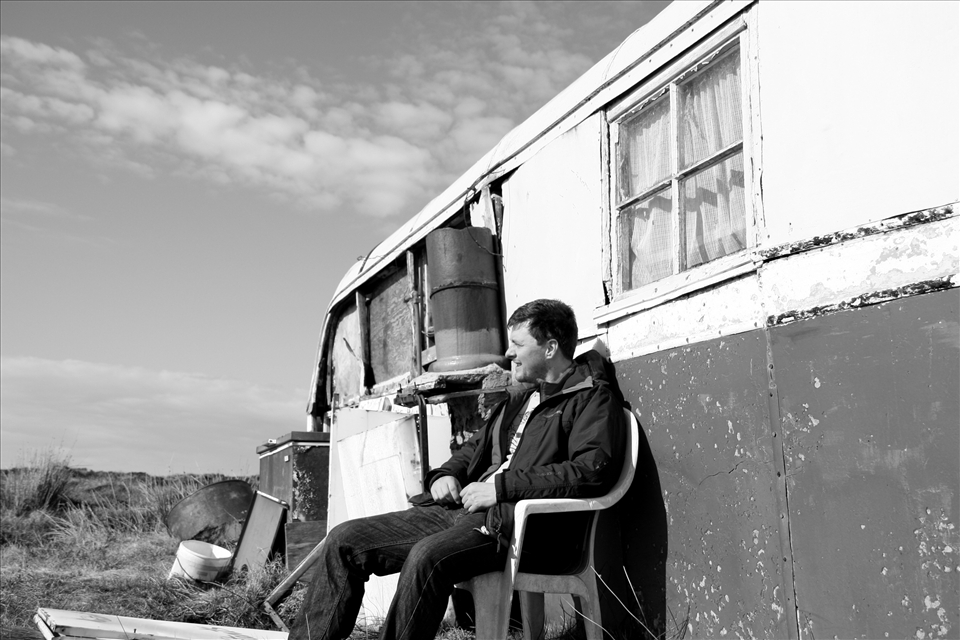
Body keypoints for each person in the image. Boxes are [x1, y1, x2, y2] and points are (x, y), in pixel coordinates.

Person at [290, 299, 627, 640]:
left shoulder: (590, 397)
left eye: (519, 345)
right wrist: (445, 475)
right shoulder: (522, 398)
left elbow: (591, 471)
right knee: (344, 540)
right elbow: (472, 450)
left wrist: (500, 489)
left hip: (514, 526)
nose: (508, 353)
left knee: (427, 557)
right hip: (460, 510)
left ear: (551, 347)